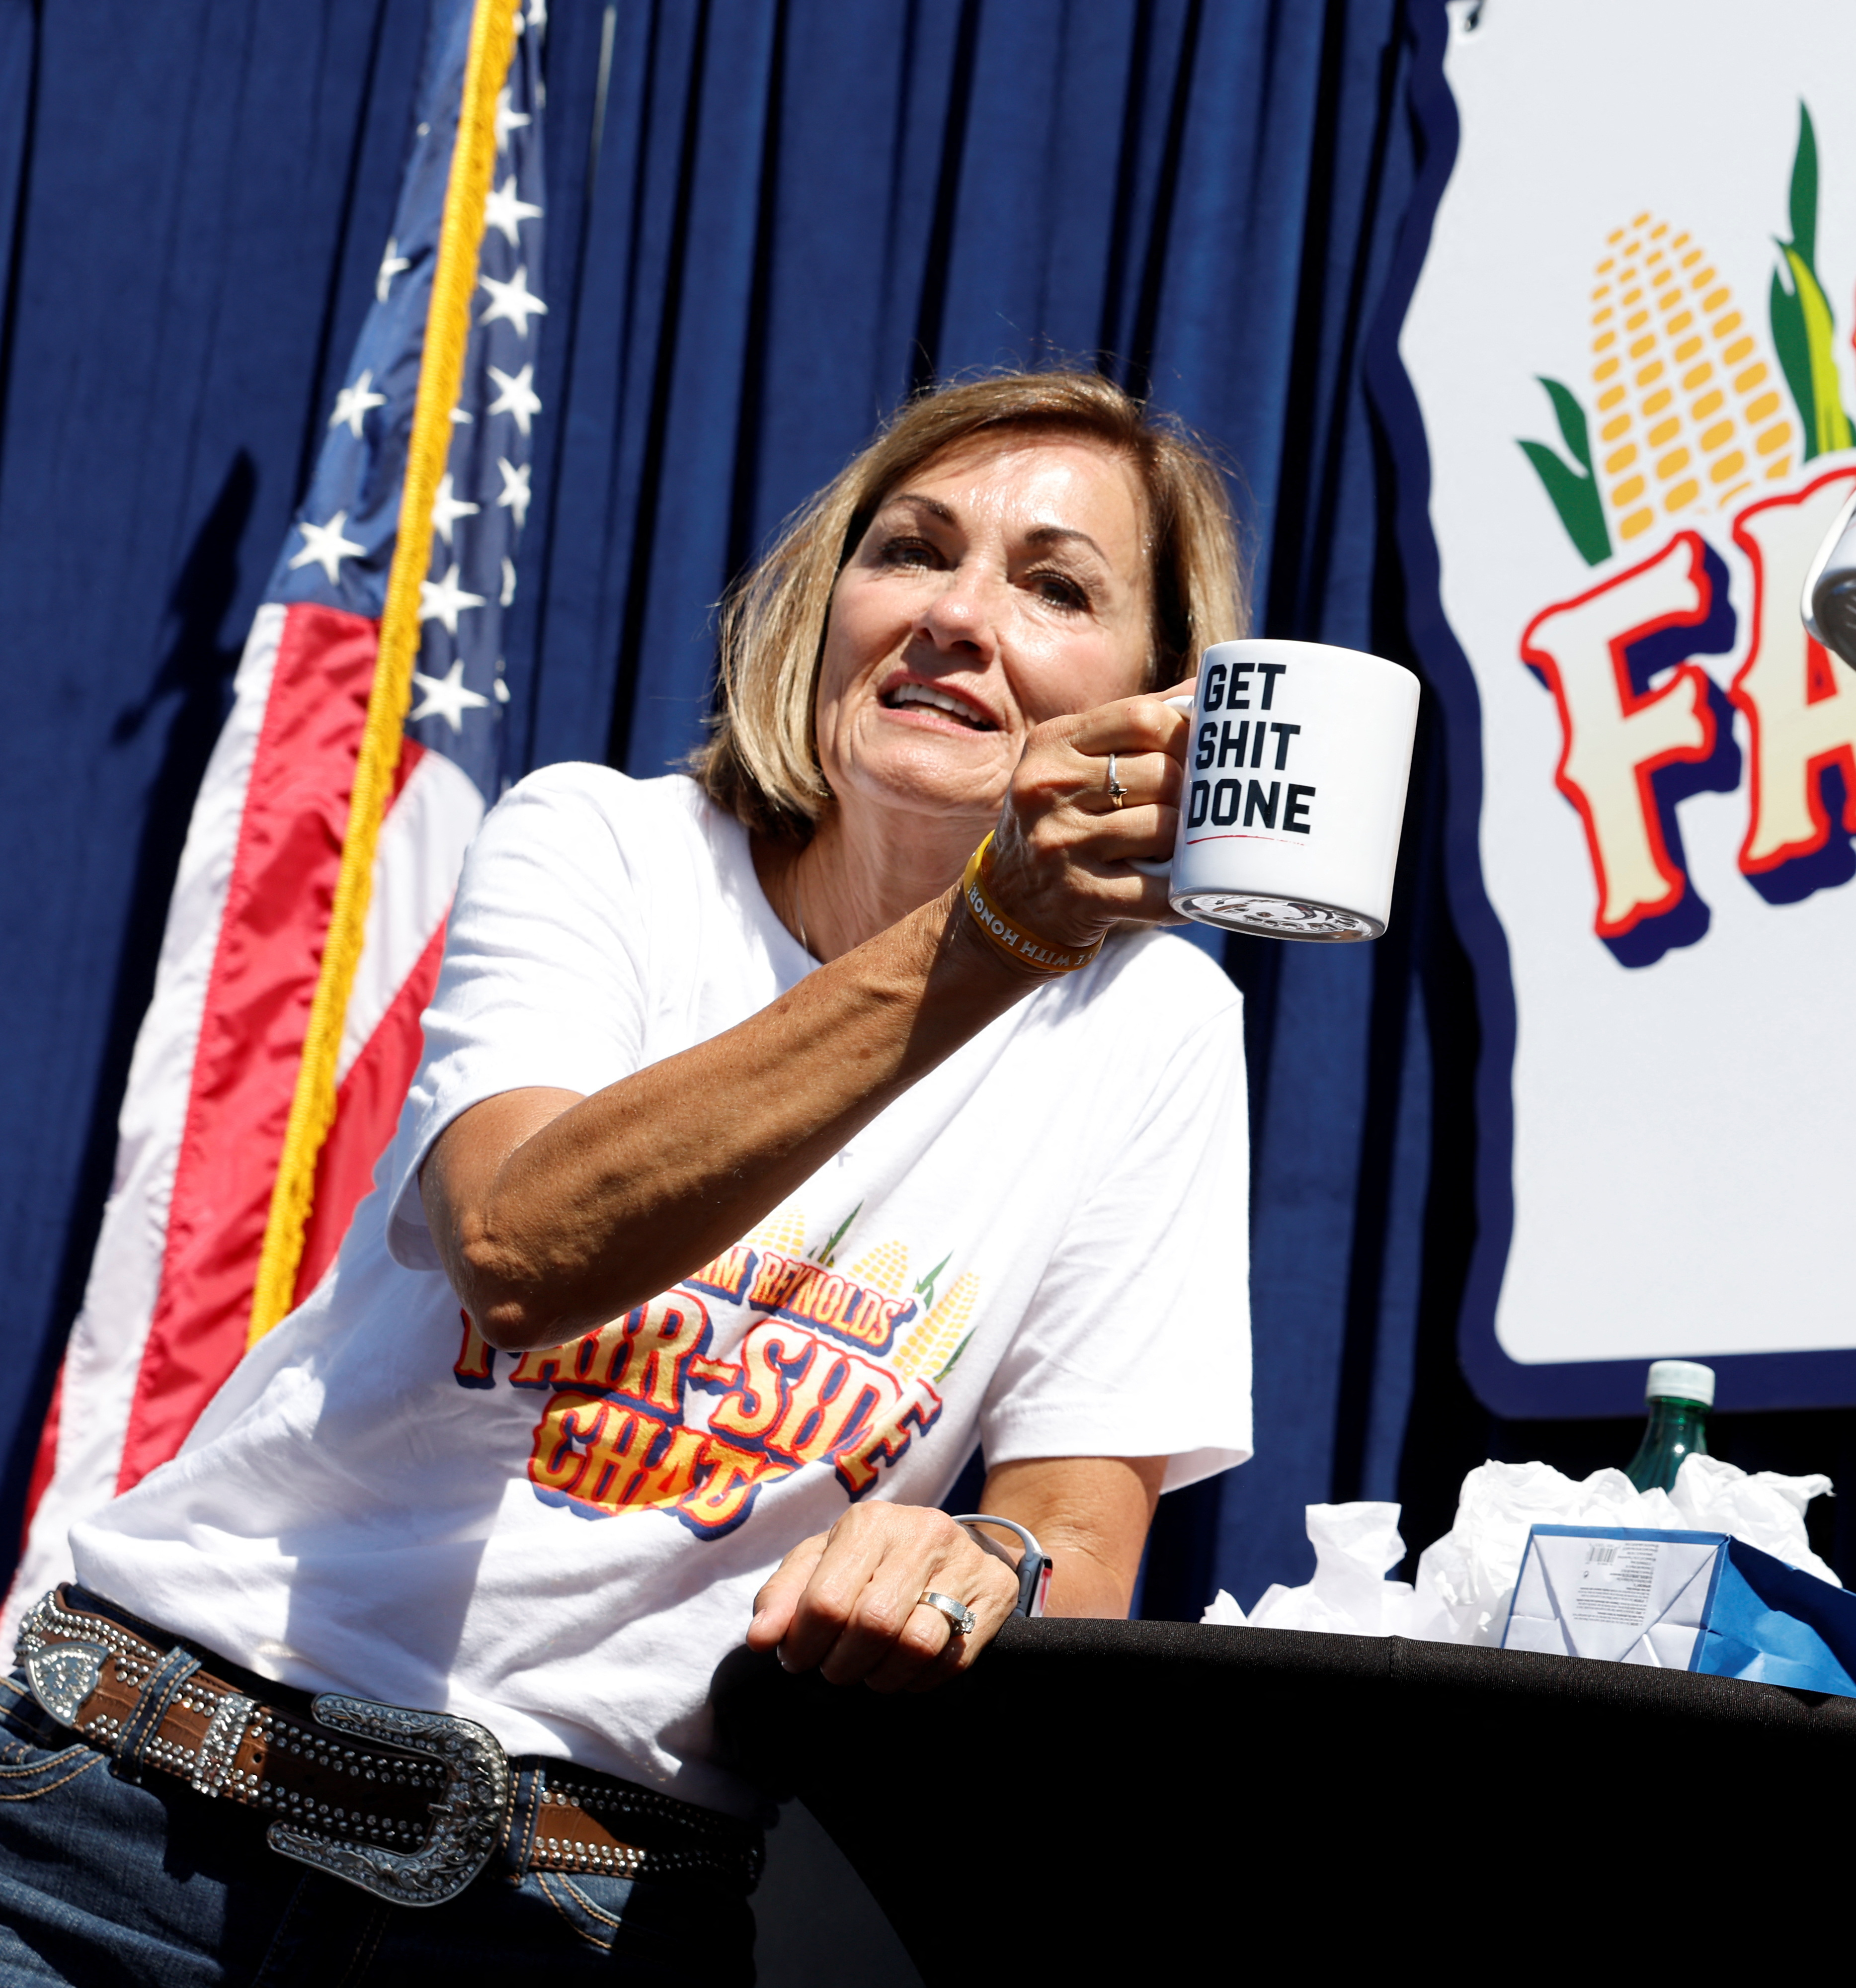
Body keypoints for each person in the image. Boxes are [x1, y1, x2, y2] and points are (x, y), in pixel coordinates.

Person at [0, 370, 1256, 1981]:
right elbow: (523, 1250)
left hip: (589, 1915)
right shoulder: (602, 846)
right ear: (827, 605)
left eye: (1055, 585)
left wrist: (976, 1565)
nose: (956, 614)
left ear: (1161, 701)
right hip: (132, 1824)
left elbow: (1077, 1536)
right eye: (911, 549)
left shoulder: (1156, 1029)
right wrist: (993, 936)